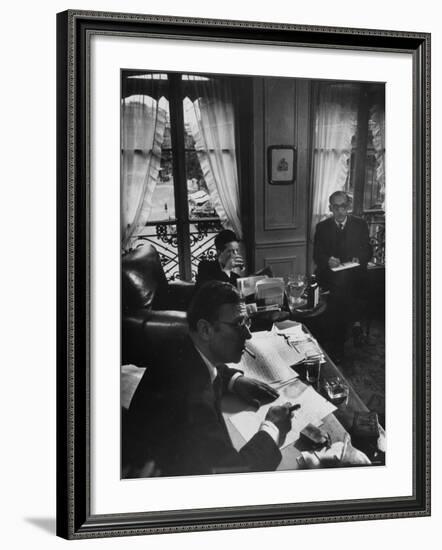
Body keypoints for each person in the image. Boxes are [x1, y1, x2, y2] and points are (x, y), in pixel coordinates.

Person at [126, 281, 294, 477]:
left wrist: (234, 380)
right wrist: (272, 427)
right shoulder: (195, 405)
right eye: (239, 323)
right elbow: (235, 476)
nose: (248, 334)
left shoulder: (181, 339)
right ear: (205, 330)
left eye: (247, 322)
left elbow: (203, 360)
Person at [313, 191, 372, 361]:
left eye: (343, 206)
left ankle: (340, 339)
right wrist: (327, 260)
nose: (340, 211)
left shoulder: (360, 224)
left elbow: (367, 250)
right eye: (336, 207)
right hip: (331, 276)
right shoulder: (322, 227)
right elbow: (317, 255)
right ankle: (351, 328)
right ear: (330, 208)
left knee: (344, 291)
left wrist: (359, 258)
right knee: (340, 291)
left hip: (355, 275)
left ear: (348, 207)